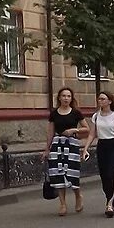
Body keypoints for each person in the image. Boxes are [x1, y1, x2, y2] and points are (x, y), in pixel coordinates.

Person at [42, 87, 89, 216]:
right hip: (57, 145)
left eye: (68, 96)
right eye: (63, 96)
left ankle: (78, 196)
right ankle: (62, 204)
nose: (66, 98)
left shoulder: (76, 113)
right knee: (57, 174)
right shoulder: (54, 113)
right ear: (59, 98)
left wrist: (74, 130)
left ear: (71, 98)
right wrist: (47, 149)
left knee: (72, 172)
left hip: (72, 144)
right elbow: (50, 132)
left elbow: (87, 129)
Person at [83, 92, 114, 217]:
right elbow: (92, 133)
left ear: (110, 101)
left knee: (110, 174)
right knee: (104, 177)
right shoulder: (96, 116)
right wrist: (86, 148)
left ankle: (109, 204)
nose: (100, 101)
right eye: (99, 99)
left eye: (103, 99)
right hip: (102, 146)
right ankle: (113, 200)